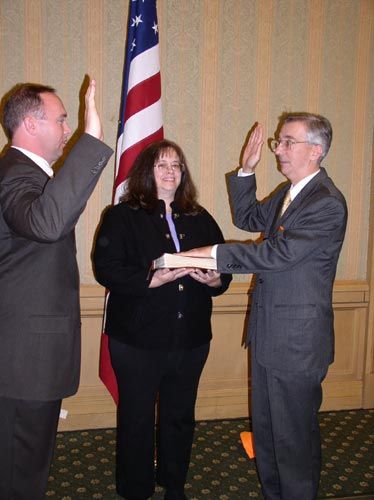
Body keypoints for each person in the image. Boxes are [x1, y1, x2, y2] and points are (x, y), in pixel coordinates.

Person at [180, 113, 348, 500]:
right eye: (278, 141)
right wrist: (245, 169)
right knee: (269, 435)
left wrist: (215, 254)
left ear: (316, 150)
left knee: (294, 442)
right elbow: (247, 216)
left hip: (298, 343)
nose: (279, 149)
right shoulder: (289, 194)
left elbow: (278, 254)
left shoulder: (325, 203)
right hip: (270, 335)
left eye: (288, 141)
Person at [93, 139, 232, 500]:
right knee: (137, 419)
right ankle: (135, 489)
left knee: (180, 416)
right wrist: (150, 278)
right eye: (162, 165)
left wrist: (215, 279)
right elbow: (106, 268)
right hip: (138, 339)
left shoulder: (200, 216)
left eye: (177, 166)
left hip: (191, 337)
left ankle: (174, 484)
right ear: (146, 172)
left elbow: (224, 266)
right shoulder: (122, 215)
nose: (171, 172)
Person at [0, 80, 113, 499]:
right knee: (19, 473)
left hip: (26, 358)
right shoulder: (14, 174)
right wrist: (92, 141)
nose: (68, 129)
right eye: (62, 119)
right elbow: (46, 225)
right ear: (31, 123)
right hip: (22, 361)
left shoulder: (24, 173)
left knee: (24, 466)